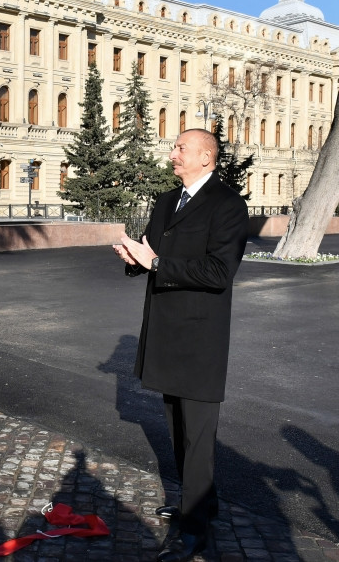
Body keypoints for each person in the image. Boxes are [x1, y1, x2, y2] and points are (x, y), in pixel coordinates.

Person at [113, 128, 248, 562]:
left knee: (198, 438)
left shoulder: (228, 204)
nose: (172, 153)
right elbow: (153, 253)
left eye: (180, 148)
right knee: (177, 429)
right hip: (166, 331)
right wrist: (136, 260)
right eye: (174, 147)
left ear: (206, 157)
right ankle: (201, 502)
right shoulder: (167, 200)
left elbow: (219, 272)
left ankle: (194, 530)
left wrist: (156, 263)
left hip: (200, 338)